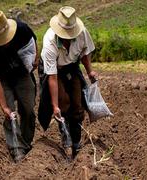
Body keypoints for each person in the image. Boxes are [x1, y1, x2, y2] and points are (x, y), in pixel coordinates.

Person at [39, 6, 97, 158]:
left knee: (77, 104)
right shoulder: (49, 42)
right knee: (63, 101)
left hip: (71, 66)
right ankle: (65, 134)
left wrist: (89, 70)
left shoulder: (82, 32)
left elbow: (85, 52)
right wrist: (55, 106)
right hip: (54, 70)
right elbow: (52, 77)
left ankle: (76, 143)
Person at [0, 11, 38, 163]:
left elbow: (33, 41)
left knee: (28, 109)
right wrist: (4, 107)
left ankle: (26, 143)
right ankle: (16, 148)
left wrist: (36, 59)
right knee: (10, 114)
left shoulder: (22, 29)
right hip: (3, 78)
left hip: (22, 73)